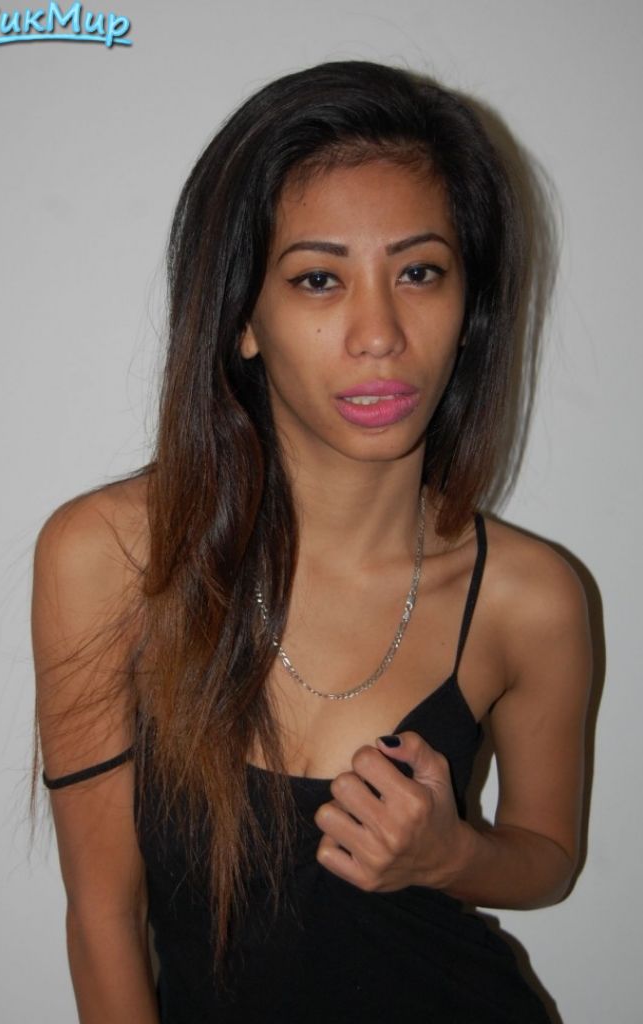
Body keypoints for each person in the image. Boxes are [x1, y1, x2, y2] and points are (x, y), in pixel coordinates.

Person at [31, 60, 591, 1023]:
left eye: (419, 272)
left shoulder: (529, 596)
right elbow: (103, 916)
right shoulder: (112, 559)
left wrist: (450, 854)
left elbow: (547, 858)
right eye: (318, 279)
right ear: (244, 319)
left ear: (470, 307)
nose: (379, 333)